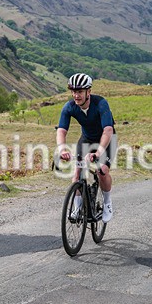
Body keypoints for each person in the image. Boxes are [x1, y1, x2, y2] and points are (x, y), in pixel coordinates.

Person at [56, 73, 116, 223]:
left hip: (106, 139)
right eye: (74, 92)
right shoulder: (69, 107)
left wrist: (98, 152)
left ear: (88, 92)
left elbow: (108, 130)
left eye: (80, 92)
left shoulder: (101, 103)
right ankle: (77, 208)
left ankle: (107, 203)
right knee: (77, 174)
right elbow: (61, 131)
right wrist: (62, 149)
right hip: (86, 139)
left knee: (102, 170)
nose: (76, 96)